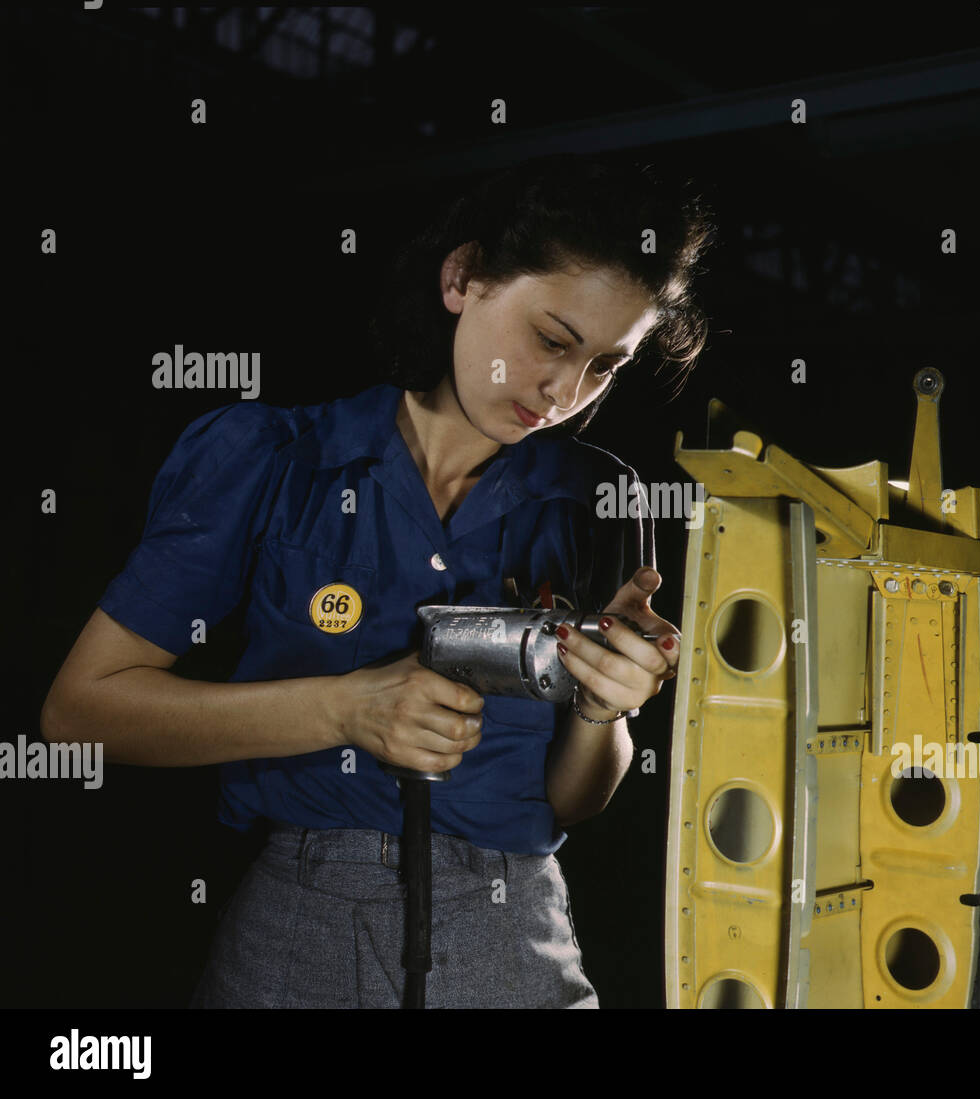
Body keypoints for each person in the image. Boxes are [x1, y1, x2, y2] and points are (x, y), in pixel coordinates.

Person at [40, 152, 715, 1008]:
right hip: (298, 920)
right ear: (462, 278)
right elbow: (80, 711)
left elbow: (575, 800)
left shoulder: (598, 501)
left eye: (605, 366)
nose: (563, 390)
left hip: (515, 926)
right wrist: (344, 707)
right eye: (551, 340)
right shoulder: (274, 460)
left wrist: (603, 709)